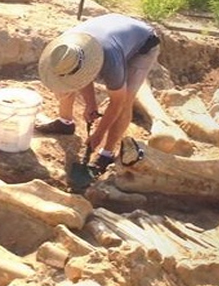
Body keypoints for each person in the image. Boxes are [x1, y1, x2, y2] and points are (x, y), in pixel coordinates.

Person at [36, 13, 161, 173]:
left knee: (126, 100)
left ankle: (107, 153)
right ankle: (65, 123)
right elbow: (79, 74)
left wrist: (98, 134)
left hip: (143, 44)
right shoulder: (65, 48)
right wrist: (90, 103)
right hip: (111, 32)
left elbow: (118, 102)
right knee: (66, 82)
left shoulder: (111, 62)